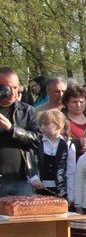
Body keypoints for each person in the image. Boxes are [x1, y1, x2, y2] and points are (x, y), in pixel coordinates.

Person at [0, 68, 41, 196]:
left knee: (24, 215)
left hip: (21, 180)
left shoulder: (26, 111)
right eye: (7, 88)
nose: (13, 92)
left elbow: (37, 139)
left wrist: (12, 129)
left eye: (16, 87)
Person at [32, 108, 69, 197]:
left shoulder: (67, 144)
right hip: (39, 188)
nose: (42, 127)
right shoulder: (37, 142)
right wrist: (34, 178)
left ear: (59, 125)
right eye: (41, 124)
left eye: (46, 124)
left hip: (60, 190)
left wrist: (71, 195)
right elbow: (31, 162)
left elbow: (71, 171)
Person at [62, 85, 86, 152]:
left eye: (81, 102)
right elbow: (58, 141)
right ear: (66, 103)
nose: (78, 105)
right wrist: (78, 142)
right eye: (74, 102)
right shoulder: (60, 119)